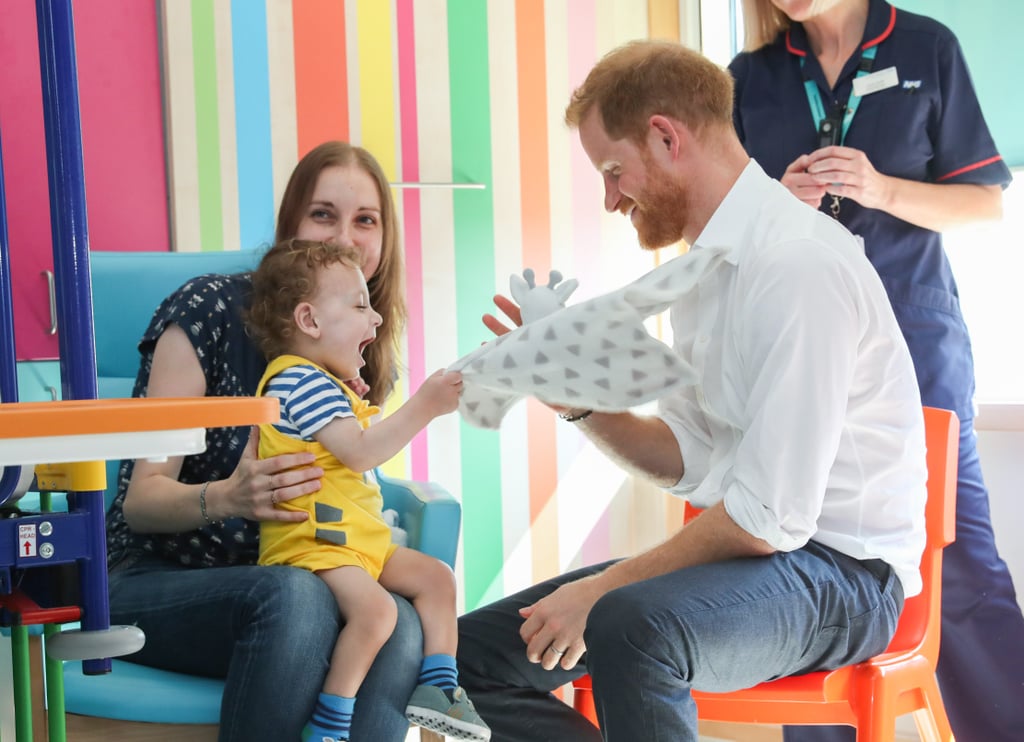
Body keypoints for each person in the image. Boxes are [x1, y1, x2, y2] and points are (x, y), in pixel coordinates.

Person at [457, 40, 927, 742]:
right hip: (764, 555)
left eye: (613, 171)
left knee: (630, 624)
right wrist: (577, 401)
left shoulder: (797, 265)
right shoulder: (704, 278)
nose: (611, 198)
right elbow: (688, 456)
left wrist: (600, 588)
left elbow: (770, 518)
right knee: (463, 654)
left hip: (846, 576)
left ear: (666, 137)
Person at [729, 2, 1024, 739]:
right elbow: (721, 231)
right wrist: (775, 204)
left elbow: (985, 205)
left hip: (916, 337)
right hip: (798, 348)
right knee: (803, 553)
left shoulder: (928, 47)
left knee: (955, 555)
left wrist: (880, 187)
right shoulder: (748, 78)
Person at [104, 142, 424, 741]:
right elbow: (141, 503)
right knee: (298, 601)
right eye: (323, 214)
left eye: (366, 221)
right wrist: (227, 497)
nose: (345, 239)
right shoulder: (209, 310)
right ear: (291, 227)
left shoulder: (358, 355)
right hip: (150, 574)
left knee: (399, 625)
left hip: (290, 576)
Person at [245, 238, 488, 742]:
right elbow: (359, 453)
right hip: (316, 543)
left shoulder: (318, 383)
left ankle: (441, 688)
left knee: (437, 578)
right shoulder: (296, 380)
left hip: (354, 542)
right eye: (359, 305)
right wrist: (424, 405)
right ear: (309, 321)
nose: (375, 319)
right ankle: (330, 722)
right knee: (377, 614)